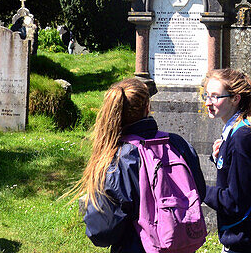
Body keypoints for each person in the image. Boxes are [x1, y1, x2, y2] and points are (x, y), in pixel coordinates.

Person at [74, 77, 207, 252]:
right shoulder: (177, 143)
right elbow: (199, 193)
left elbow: (102, 231)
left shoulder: (117, 158)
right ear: (147, 107)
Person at [203, 68, 251, 253]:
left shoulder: (242, 137)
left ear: (235, 99)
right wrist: (220, 159)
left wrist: (199, 189)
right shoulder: (240, 129)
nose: (207, 102)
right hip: (248, 237)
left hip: (246, 240)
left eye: (215, 96)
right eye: (206, 95)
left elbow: (235, 202)